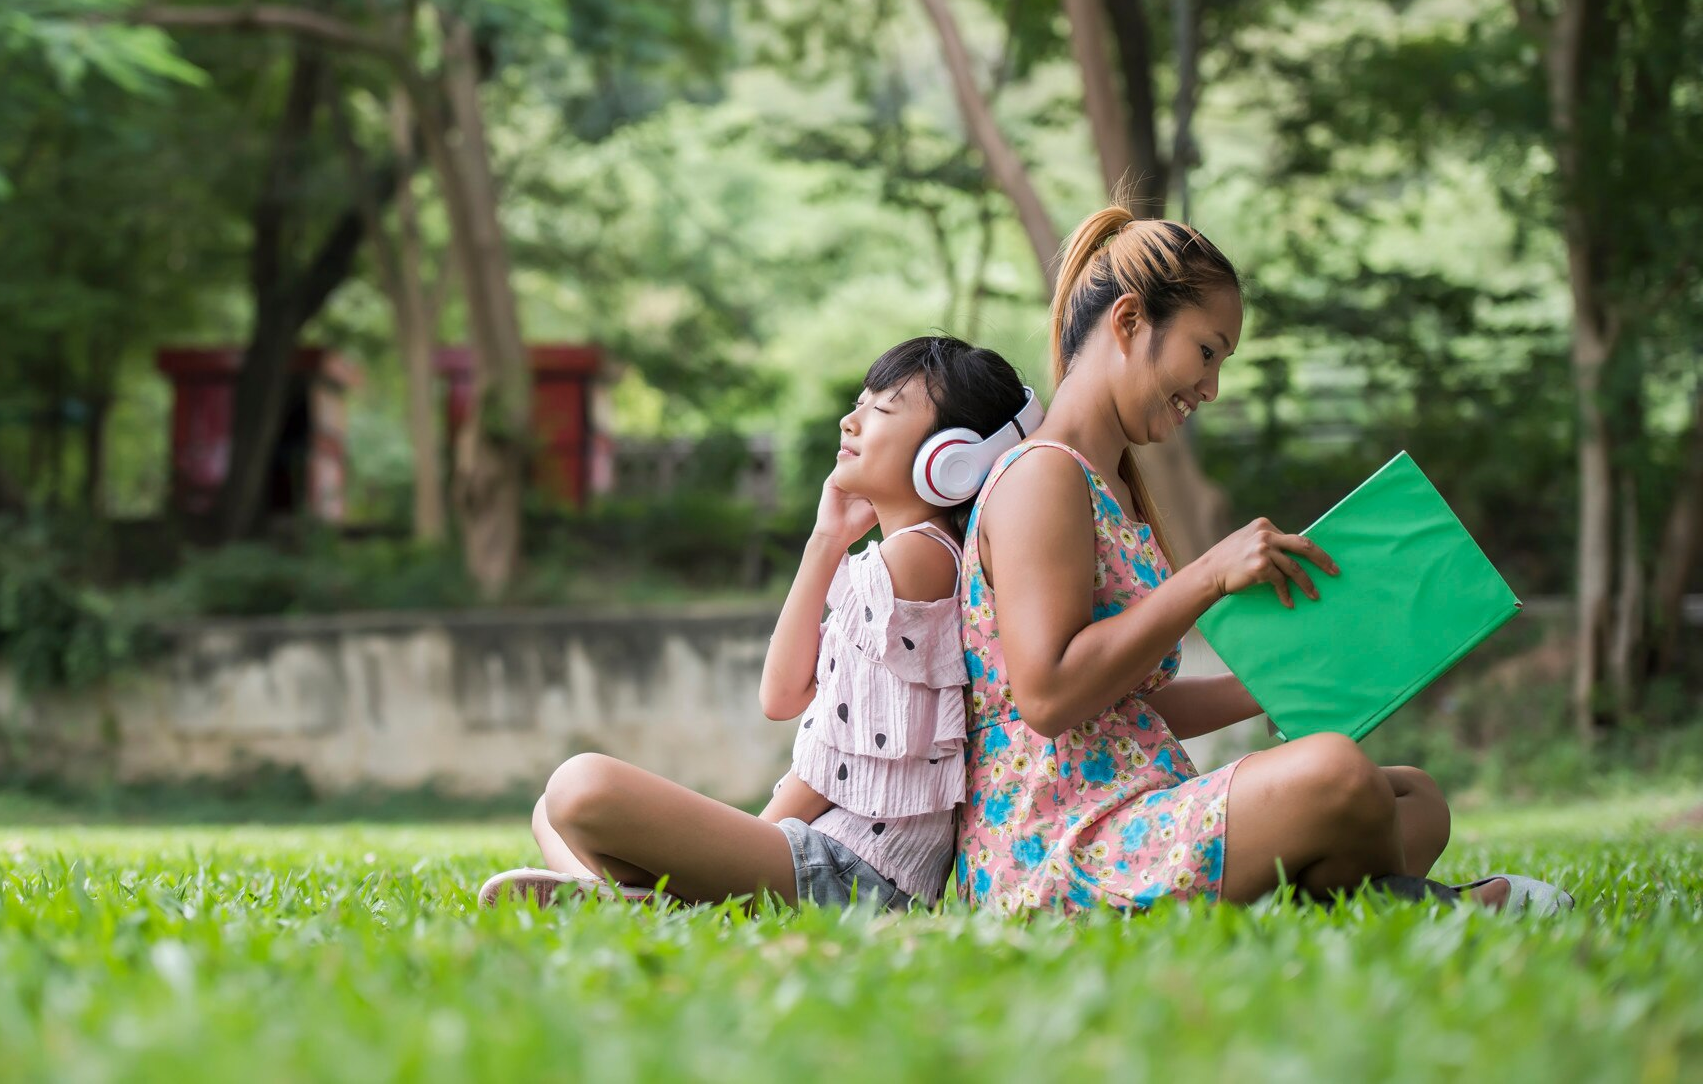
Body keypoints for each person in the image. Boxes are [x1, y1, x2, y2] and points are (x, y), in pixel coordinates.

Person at [955, 203, 1571, 916]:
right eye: (1207, 351)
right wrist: (1208, 576)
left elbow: (1127, 709)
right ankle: (1436, 904)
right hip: (1058, 846)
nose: (1210, 389)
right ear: (1128, 323)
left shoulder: (1114, 487)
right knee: (1338, 776)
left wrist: (1284, 680)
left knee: (1415, 799)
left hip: (1136, 807)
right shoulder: (1042, 477)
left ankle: (1343, 906)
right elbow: (1051, 696)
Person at [477, 336, 1031, 910]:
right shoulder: (897, 560)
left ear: (950, 456)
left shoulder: (917, 560)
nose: (850, 420)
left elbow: (836, 768)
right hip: (822, 855)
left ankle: (689, 903)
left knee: (579, 785)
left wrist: (747, 843)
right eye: (859, 402)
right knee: (552, 809)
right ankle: (648, 906)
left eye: (882, 410)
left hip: (855, 874)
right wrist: (826, 540)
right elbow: (782, 694)